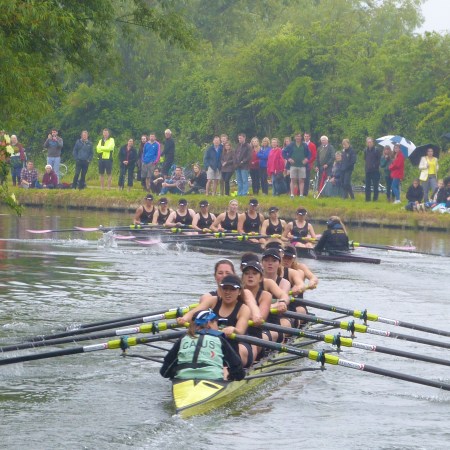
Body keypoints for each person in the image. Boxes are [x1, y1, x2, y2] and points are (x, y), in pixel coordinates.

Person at [178, 274, 252, 367]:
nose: (228, 292)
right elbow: (195, 312)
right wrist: (184, 318)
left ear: (239, 291)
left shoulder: (244, 309)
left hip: (234, 345)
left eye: (232, 289)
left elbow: (240, 331)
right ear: (220, 289)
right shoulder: (213, 300)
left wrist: (233, 329)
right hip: (213, 344)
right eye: (225, 288)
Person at [160, 309, 245, 382]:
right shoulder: (219, 339)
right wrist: (232, 378)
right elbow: (237, 370)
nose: (218, 327)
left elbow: (165, 371)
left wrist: (172, 375)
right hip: (213, 380)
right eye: (217, 323)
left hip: (183, 380)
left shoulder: (184, 338)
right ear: (209, 323)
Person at [284, 132, 310, 198]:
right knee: (293, 180)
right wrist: (288, 159)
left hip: (302, 166)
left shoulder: (304, 145)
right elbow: (283, 152)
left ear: (301, 137)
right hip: (293, 165)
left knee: (301, 180)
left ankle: (301, 195)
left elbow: (309, 154)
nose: (298, 137)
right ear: (295, 137)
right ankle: (292, 194)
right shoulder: (291, 145)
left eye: (299, 136)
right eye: (297, 136)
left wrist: (306, 159)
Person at [363, 137, 381, 202]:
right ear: (366, 143)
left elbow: (379, 160)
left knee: (375, 186)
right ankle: (367, 199)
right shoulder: (365, 150)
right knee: (367, 185)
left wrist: (375, 165)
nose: (369, 143)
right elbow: (365, 159)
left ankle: (375, 199)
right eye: (368, 142)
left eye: (370, 142)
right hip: (368, 170)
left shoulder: (376, 150)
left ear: (373, 143)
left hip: (375, 171)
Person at [303, 132, 317, 197]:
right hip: (301, 164)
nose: (306, 137)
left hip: (308, 164)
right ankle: (299, 192)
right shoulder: (302, 144)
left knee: (306, 179)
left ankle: (305, 193)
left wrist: (307, 161)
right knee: (300, 178)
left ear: (309, 137)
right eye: (305, 136)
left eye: (307, 136)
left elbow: (314, 156)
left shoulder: (312, 145)